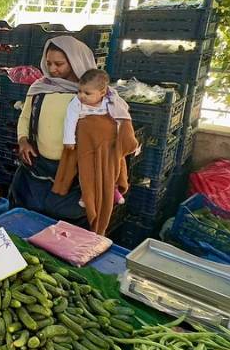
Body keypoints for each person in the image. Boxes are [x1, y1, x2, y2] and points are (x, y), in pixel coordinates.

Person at [11, 35, 107, 223]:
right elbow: (25, 116)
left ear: (76, 61)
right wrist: (23, 140)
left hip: (73, 173)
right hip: (36, 167)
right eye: (49, 63)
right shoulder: (40, 87)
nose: (53, 69)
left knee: (63, 223)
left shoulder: (92, 95)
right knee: (27, 215)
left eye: (59, 64)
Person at [52, 68, 138, 234]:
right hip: (88, 146)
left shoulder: (111, 101)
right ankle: (88, 197)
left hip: (108, 146)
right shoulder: (76, 103)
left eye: (87, 93)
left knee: (111, 169)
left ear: (102, 92)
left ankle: (113, 190)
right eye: (79, 91)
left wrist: (124, 139)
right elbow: (70, 120)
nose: (81, 96)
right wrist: (69, 140)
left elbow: (122, 118)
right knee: (88, 173)